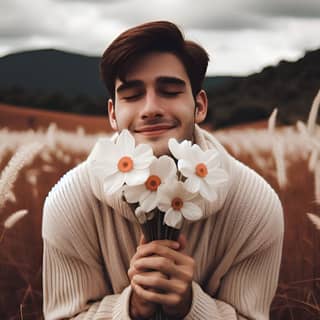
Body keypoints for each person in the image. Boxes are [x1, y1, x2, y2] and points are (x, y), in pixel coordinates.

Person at [42, 21, 284, 319]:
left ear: (200, 106)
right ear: (113, 114)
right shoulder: (69, 203)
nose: (150, 108)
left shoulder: (256, 206)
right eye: (132, 95)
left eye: (169, 91)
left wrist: (190, 307)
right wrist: (130, 309)